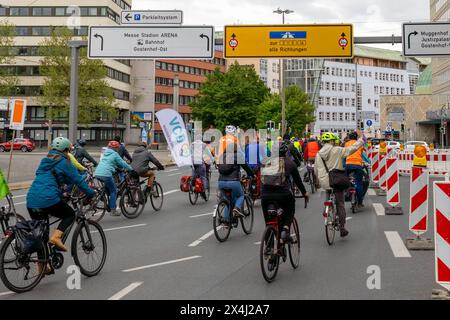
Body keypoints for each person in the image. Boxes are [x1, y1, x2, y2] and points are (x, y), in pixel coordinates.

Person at [27, 137, 96, 272]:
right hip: (47, 199)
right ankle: (57, 237)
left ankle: (42, 266)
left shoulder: (45, 161)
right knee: (70, 214)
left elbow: (47, 180)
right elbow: (78, 180)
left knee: (42, 234)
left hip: (31, 199)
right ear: (65, 150)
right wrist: (91, 193)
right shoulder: (64, 162)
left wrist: (61, 193)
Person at [314, 131, 365, 237]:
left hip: (325, 181)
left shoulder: (318, 154)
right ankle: (342, 228)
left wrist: (317, 183)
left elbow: (316, 170)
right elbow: (351, 149)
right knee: (340, 204)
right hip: (336, 180)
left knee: (328, 191)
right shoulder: (337, 150)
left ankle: (327, 209)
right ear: (332, 141)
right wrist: (361, 141)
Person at [261, 141, 309, 242]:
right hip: (283, 194)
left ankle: (268, 251)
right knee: (290, 209)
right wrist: (304, 193)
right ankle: (285, 229)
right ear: (286, 152)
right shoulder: (290, 163)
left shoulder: (266, 162)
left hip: (265, 195)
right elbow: (298, 181)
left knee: (268, 222)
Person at [217, 142, 254, 225]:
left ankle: (226, 221)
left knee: (227, 200)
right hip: (233, 181)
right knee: (241, 195)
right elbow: (246, 167)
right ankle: (236, 208)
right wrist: (252, 174)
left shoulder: (222, 156)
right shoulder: (238, 156)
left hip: (221, 182)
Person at [95, 140, 133, 216]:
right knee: (114, 191)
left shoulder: (105, 153)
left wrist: (115, 168)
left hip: (97, 173)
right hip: (106, 174)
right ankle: (113, 210)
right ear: (115, 148)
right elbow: (122, 163)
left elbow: (108, 163)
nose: (117, 149)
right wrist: (131, 169)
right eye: (117, 148)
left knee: (109, 187)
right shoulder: (115, 154)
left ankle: (103, 197)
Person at [344, 131, 366, 208]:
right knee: (359, 183)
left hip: (348, 165)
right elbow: (362, 155)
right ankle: (360, 202)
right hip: (358, 165)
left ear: (349, 137)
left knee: (345, 180)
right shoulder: (359, 144)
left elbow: (344, 154)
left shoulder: (346, 144)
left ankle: (347, 193)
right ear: (356, 137)